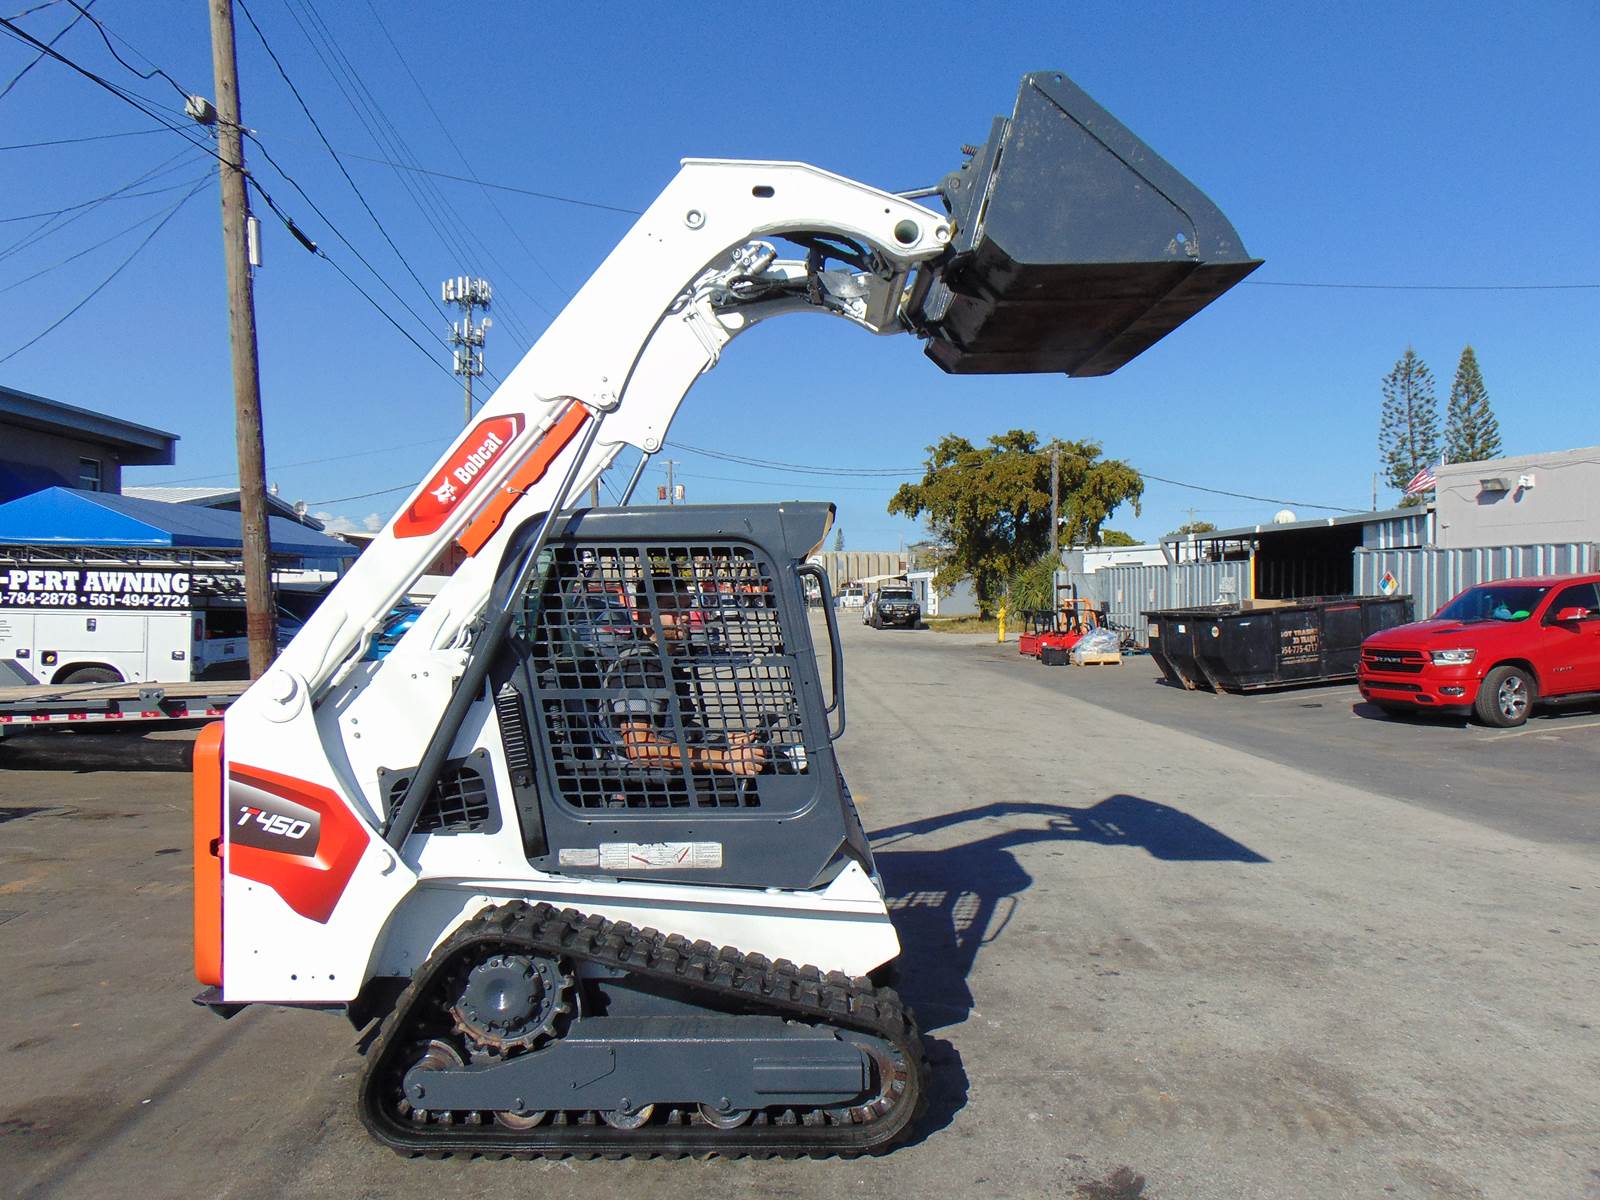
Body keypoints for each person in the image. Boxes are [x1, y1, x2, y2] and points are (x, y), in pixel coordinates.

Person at [608, 572, 766, 778]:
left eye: (685, 606)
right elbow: (640, 749)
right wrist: (724, 759)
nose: (683, 615)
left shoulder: (663, 661)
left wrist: (724, 740)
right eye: (671, 607)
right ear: (645, 615)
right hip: (653, 785)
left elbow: (673, 730)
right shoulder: (637, 667)